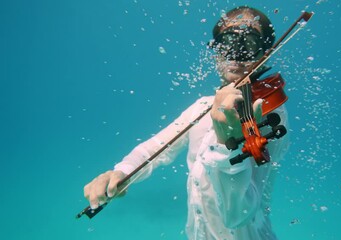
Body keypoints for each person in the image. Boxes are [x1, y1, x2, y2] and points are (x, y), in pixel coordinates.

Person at [83, 6, 290, 240]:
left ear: (266, 54)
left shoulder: (269, 114)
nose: (236, 53)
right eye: (228, 41)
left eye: (250, 43)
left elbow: (237, 215)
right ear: (215, 53)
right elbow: (157, 146)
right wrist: (122, 171)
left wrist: (225, 145)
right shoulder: (203, 106)